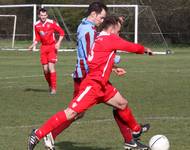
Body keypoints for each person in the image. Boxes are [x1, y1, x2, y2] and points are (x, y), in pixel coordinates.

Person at [28, 15, 153, 150]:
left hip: (103, 85)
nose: (119, 34)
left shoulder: (102, 37)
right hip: (93, 85)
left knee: (122, 104)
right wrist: (146, 50)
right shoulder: (109, 39)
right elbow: (131, 47)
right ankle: (38, 134)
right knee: (71, 113)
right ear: (112, 29)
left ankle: (135, 131)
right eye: (118, 31)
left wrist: (113, 68)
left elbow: (101, 60)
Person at [28, 8, 65, 94]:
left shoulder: (51, 23)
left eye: (45, 15)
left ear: (47, 15)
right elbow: (37, 37)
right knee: (45, 70)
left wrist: (58, 43)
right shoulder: (36, 25)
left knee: (51, 67)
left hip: (52, 47)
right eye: (41, 15)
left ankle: (54, 89)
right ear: (39, 16)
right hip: (43, 48)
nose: (43, 17)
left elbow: (62, 32)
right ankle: (50, 85)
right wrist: (33, 45)